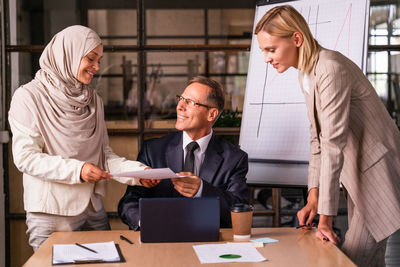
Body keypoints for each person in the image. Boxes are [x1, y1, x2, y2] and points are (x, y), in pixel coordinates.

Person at [254, 5, 400, 267]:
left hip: (377, 172)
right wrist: (313, 197)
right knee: (370, 259)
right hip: (358, 172)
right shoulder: (307, 73)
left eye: (271, 49)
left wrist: (326, 219)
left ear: (296, 39)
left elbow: (333, 144)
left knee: (357, 257)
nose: (266, 58)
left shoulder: (330, 68)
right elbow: (317, 139)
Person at [8, 25, 150, 251]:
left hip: (93, 209)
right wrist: (79, 170)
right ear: (68, 54)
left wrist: (139, 173)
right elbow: (26, 158)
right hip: (51, 214)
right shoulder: (28, 97)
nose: (96, 67)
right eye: (91, 59)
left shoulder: (93, 100)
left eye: (99, 60)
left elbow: (103, 154)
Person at [118, 76, 249, 229]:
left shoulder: (234, 158)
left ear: (211, 114)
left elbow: (240, 209)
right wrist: (146, 221)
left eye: (190, 102)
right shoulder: (153, 150)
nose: (180, 106)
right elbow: (129, 202)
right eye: (181, 98)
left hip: (211, 242)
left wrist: (201, 190)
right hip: (161, 242)